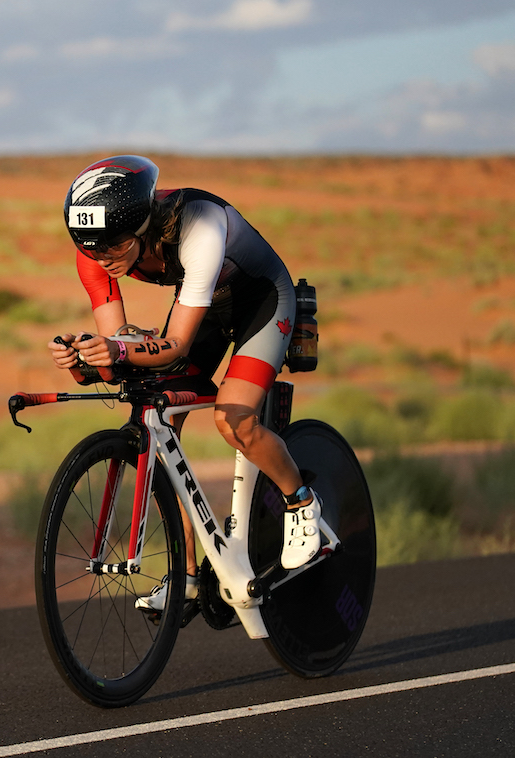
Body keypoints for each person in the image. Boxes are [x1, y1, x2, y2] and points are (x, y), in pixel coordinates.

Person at [48, 155, 320, 614]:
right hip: (204, 307)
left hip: (262, 301)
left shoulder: (201, 227)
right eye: (92, 249)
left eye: (114, 247)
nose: (102, 258)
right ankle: (187, 576)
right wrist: (86, 355)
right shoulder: (95, 250)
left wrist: (117, 350)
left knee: (233, 421)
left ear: (143, 225)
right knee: (157, 434)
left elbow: (173, 346)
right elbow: (122, 346)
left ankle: (300, 503)